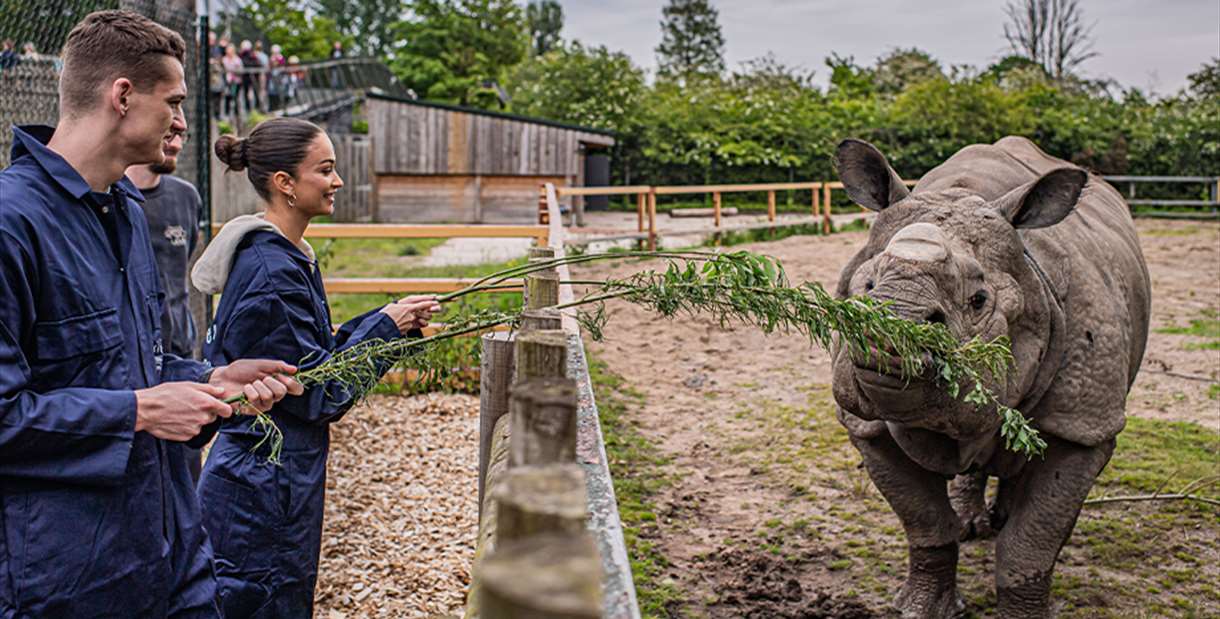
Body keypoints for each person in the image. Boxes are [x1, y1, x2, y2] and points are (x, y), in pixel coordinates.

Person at [0, 10, 301, 616]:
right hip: (69, 578)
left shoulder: (128, 212)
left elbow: (142, 363)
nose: (184, 122)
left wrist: (210, 381)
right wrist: (140, 412)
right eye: (175, 102)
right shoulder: (13, 224)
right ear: (122, 96)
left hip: (174, 552)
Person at [191, 117, 440, 617]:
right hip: (261, 487)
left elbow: (311, 354)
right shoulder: (273, 271)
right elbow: (318, 391)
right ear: (285, 183)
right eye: (325, 170)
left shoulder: (283, 257)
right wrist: (385, 329)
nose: (338, 181)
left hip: (267, 478)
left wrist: (389, 321)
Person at [124, 131, 206, 480]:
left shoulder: (185, 196)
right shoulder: (114, 201)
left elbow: (183, 265)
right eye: (170, 131)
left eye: (183, 134)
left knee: (186, 471)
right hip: (132, 366)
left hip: (180, 354)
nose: (177, 139)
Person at [222, 43, 243, 120]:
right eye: (227, 50)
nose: (228, 51)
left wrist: (236, 71)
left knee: (236, 98)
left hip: (236, 82)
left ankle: (237, 114)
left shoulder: (237, 60)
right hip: (227, 81)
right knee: (227, 97)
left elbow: (241, 70)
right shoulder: (224, 59)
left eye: (229, 50)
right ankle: (226, 115)